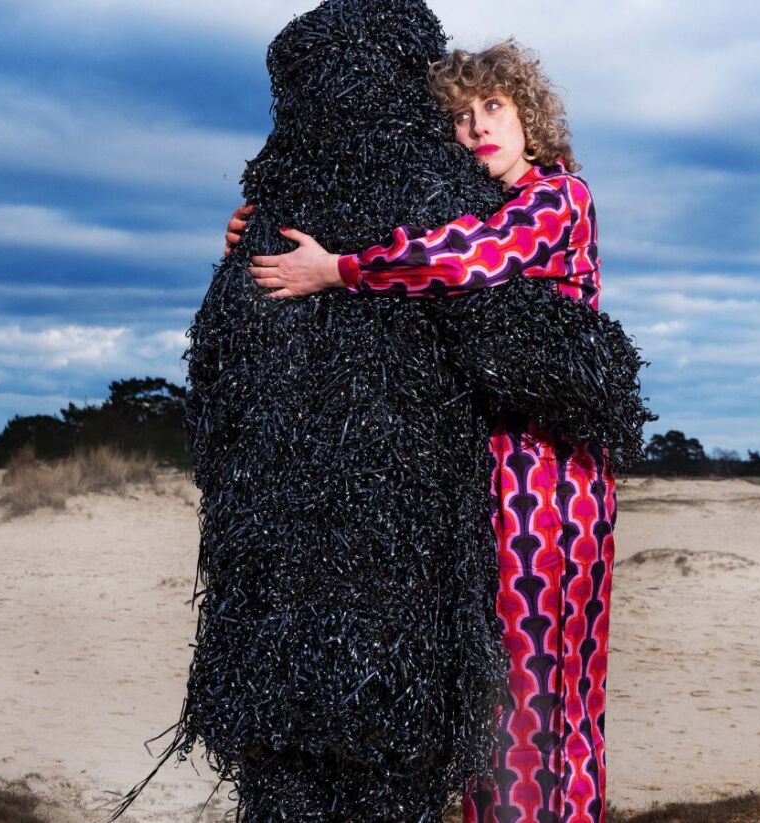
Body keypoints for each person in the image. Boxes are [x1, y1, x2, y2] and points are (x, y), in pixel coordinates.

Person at [227, 39, 614, 823]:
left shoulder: (557, 198)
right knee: (491, 687)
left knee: (538, 688)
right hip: (491, 469)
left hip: (551, 479)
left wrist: (338, 269)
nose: (478, 129)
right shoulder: (482, 202)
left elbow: (467, 258)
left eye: (494, 109)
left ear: (529, 115)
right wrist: (259, 228)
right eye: (462, 118)